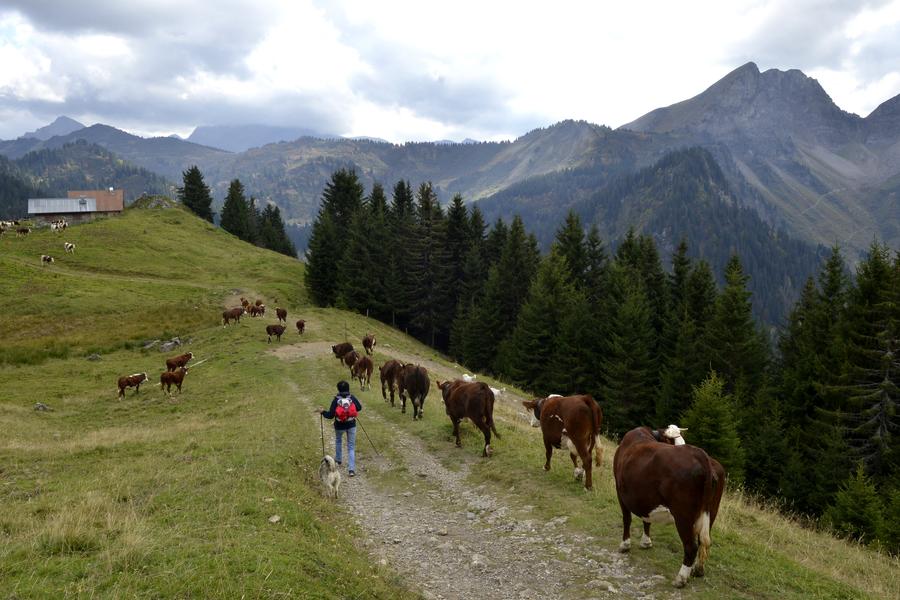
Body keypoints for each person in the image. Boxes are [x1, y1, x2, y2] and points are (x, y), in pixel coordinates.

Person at [320, 380, 363, 476]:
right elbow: (359, 408)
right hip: (351, 424)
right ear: (348, 388)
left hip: (339, 425)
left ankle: (338, 459)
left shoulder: (336, 400)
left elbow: (330, 415)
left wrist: (322, 412)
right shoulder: (352, 397)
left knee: (338, 440)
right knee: (351, 446)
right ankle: (351, 470)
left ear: (338, 389)